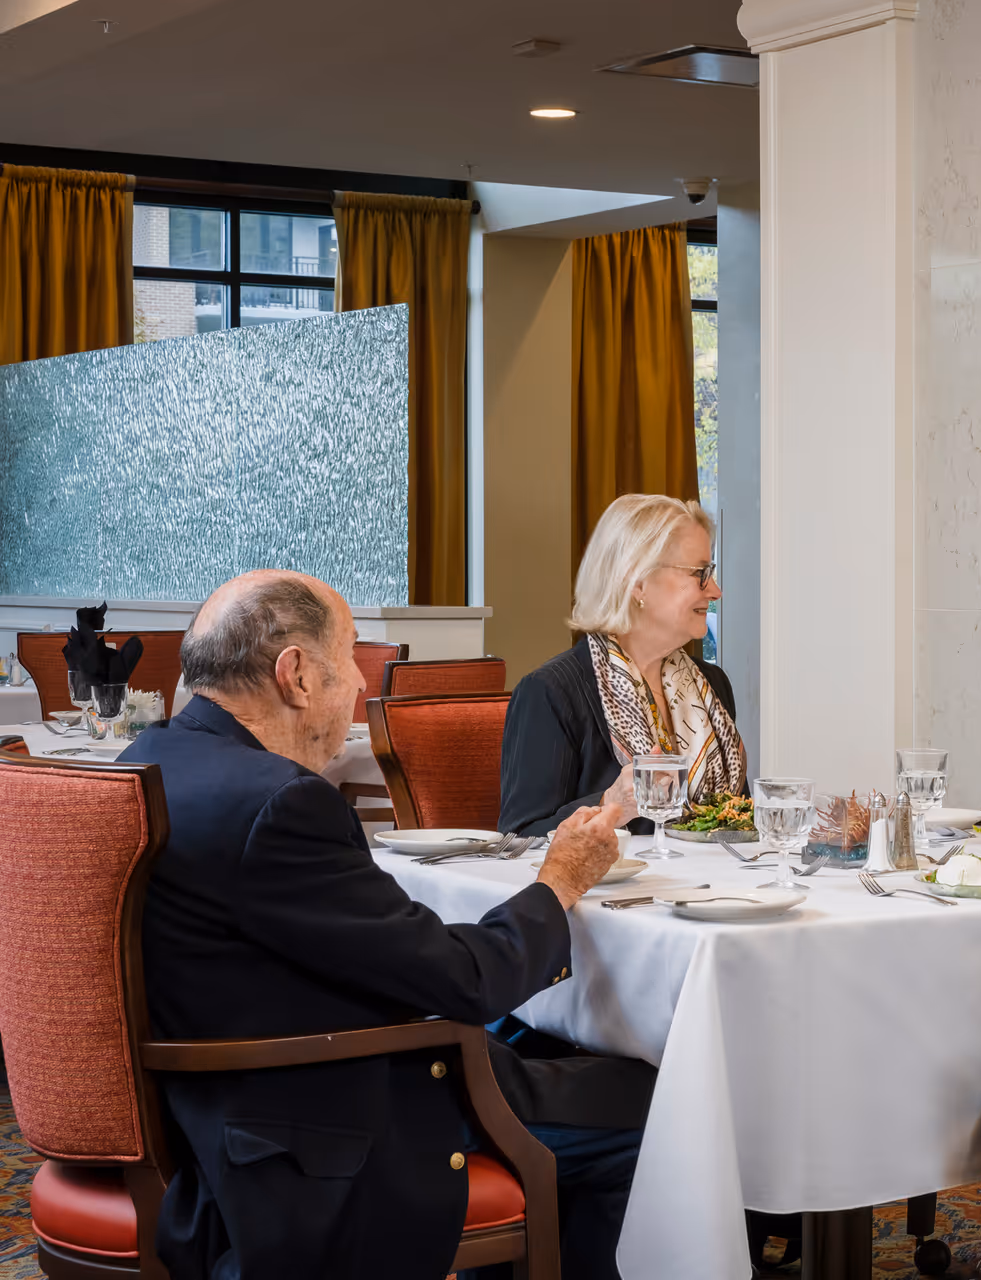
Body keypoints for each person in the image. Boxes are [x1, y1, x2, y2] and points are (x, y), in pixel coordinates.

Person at [125, 570, 651, 1280]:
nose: (359, 693)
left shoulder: (149, 762)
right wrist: (559, 882)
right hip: (322, 1126)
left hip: (219, 1099)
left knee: (537, 1041)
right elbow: (465, 982)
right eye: (350, 663)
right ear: (298, 675)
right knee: (665, 1109)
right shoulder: (279, 806)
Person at [500, 495, 747, 837]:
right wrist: (610, 805)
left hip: (714, 887)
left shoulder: (713, 685)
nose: (715, 590)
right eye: (700, 574)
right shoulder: (552, 692)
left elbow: (738, 826)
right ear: (637, 581)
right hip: (610, 891)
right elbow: (518, 838)